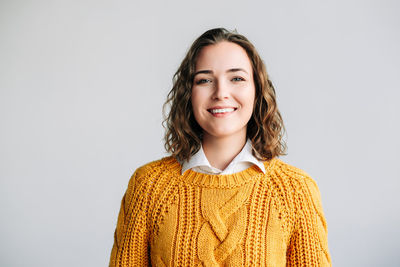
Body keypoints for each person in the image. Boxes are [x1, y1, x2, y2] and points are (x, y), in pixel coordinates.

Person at [109, 28, 331, 266]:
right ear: (188, 94)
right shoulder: (149, 187)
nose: (221, 93)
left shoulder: (295, 191)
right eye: (204, 80)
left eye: (237, 78)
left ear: (257, 90)